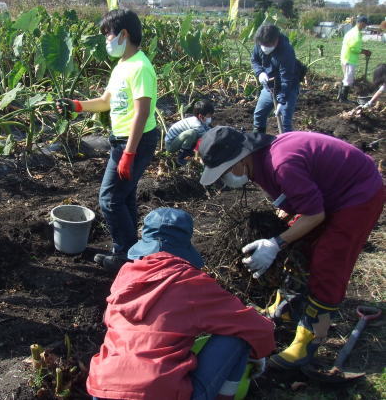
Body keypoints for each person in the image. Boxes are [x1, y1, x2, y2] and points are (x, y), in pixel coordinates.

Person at [198, 126, 384, 369]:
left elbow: (315, 215)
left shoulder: (282, 163)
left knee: (328, 264)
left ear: (240, 159)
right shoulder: (260, 162)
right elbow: (297, 199)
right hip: (330, 194)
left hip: (358, 196)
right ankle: (284, 308)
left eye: (225, 171)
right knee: (300, 250)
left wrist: (276, 243)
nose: (225, 178)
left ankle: (307, 342)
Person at [86, 208, 275, 400]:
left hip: (103, 389)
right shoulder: (190, 282)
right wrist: (258, 354)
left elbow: (108, 318)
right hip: (156, 392)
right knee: (238, 338)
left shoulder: (126, 275)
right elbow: (258, 328)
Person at [56, 9, 158, 273]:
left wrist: (129, 154)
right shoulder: (122, 66)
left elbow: (142, 112)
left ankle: (124, 255)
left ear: (124, 34)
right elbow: (105, 102)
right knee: (124, 199)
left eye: (108, 35)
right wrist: (76, 106)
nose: (106, 41)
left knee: (109, 199)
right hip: (123, 141)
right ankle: (131, 252)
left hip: (135, 142)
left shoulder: (141, 67)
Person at [250, 24, 300, 134]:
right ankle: (258, 143)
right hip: (269, 86)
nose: (265, 47)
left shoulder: (286, 51)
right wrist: (260, 72)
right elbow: (254, 60)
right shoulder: (260, 43)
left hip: (288, 88)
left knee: (284, 122)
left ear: (276, 40)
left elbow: (286, 79)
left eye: (268, 45)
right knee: (259, 115)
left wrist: (281, 101)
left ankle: (287, 147)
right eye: (262, 45)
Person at [165, 99, 214, 166]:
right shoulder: (195, 123)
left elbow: (208, 130)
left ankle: (189, 151)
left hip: (178, 140)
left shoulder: (201, 121)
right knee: (192, 133)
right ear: (200, 116)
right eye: (209, 116)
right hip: (171, 144)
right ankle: (181, 156)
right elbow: (205, 136)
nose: (210, 118)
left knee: (197, 135)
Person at [338, 15, 371, 103]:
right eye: (364, 24)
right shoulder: (355, 34)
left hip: (347, 57)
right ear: (360, 23)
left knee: (346, 77)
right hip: (349, 59)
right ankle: (343, 98)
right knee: (348, 79)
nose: (365, 26)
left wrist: (363, 51)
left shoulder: (354, 32)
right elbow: (353, 48)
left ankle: (340, 96)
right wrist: (364, 51)